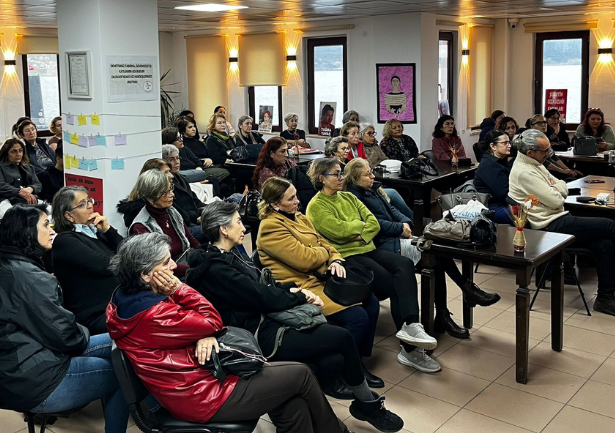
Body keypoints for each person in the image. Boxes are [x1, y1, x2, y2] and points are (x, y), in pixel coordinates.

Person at [185, 202, 404, 431]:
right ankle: (367, 405)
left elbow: (263, 285)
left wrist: (293, 290)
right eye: (238, 222)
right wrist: (300, 296)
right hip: (257, 335)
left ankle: (338, 415)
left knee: (333, 358)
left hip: (268, 320)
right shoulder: (216, 269)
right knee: (342, 338)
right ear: (224, 229)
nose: (244, 227)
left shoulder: (230, 255)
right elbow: (261, 296)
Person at [107, 234, 353, 433]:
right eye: (165, 263)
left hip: (199, 377)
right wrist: (181, 290)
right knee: (301, 374)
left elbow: (197, 325)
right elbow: (213, 320)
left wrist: (202, 332)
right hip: (202, 394)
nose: (173, 266)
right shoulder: (155, 313)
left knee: (293, 404)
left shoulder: (128, 298)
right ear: (145, 275)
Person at [0, 205, 128, 432]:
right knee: (122, 373)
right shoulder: (30, 277)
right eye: (46, 225)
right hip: (35, 380)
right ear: (28, 232)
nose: (52, 231)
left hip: (16, 368)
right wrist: (82, 329)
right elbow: (68, 337)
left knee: (122, 341)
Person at [509, 129, 615, 319]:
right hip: (546, 226)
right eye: (545, 150)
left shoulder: (534, 163)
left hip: (556, 217)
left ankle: (605, 298)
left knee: (605, 245)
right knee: (609, 226)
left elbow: (561, 184)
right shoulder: (525, 171)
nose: (549, 154)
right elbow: (556, 200)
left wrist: (556, 187)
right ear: (530, 152)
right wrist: (557, 188)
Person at [305, 158, 442, 373]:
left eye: (341, 173)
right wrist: (359, 229)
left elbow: (373, 223)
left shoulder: (348, 197)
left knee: (405, 264)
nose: (341, 178)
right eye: (336, 174)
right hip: (348, 256)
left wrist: (358, 232)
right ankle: (409, 349)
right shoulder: (316, 206)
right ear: (321, 178)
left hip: (368, 248)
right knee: (396, 284)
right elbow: (339, 232)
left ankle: (411, 326)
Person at [343, 159, 497, 339]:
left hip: (396, 237)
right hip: (385, 244)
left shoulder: (373, 190)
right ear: (355, 178)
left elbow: (392, 209)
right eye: (367, 174)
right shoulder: (354, 196)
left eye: (371, 172)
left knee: (437, 256)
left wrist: (405, 222)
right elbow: (373, 224)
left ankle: (447, 310)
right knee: (435, 255)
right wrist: (399, 228)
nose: (372, 176)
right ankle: (460, 296)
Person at [255, 177, 384, 377]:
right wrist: (324, 253)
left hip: (321, 278)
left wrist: (336, 260)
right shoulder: (270, 228)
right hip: (302, 287)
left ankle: (357, 360)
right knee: (357, 317)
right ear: (275, 204)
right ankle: (344, 370)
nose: (297, 201)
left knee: (372, 302)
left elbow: (326, 244)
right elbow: (305, 260)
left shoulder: (299, 217)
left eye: (295, 196)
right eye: (291, 199)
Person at [52, 187, 123, 334]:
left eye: (89, 201)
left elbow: (129, 249)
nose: (90, 206)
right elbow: (105, 265)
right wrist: (134, 261)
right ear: (69, 216)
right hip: (96, 315)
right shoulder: (65, 240)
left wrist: (108, 230)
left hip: (119, 304)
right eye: (82, 204)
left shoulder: (97, 232)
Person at [127, 169, 199, 278]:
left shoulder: (171, 211)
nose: (172, 194)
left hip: (187, 264)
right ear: (150, 198)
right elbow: (160, 265)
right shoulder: (141, 227)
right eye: (165, 193)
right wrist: (195, 271)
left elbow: (191, 240)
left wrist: (204, 256)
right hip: (169, 276)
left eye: (170, 189)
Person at [162, 144, 208, 241]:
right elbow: (178, 213)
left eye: (178, 158)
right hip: (184, 226)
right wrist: (197, 217)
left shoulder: (180, 178)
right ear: (164, 163)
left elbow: (194, 198)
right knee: (217, 228)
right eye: (172, 159)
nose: (177, 162)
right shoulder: (165, 185)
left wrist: (207, 209)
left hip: (193, 219)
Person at [0, 138, 42, 216]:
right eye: (14, 151)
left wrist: (30, 189)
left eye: (20, 151)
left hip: (29, 199)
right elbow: (0, 185)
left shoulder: (29, 167)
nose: (18, 154)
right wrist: (19, 191)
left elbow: (38, 185)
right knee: (14, 216)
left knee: (51, 212)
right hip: (7, 199)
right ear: (6, 153)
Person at [473, 130, 515, 225]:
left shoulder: (499, 161)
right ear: (493, 146)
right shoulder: (489, 165)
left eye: (509, 142)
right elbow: (504, 193)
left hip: (502, 204)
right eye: (505, 143)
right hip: (492, 208)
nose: (509, 145)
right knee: (528, 213)